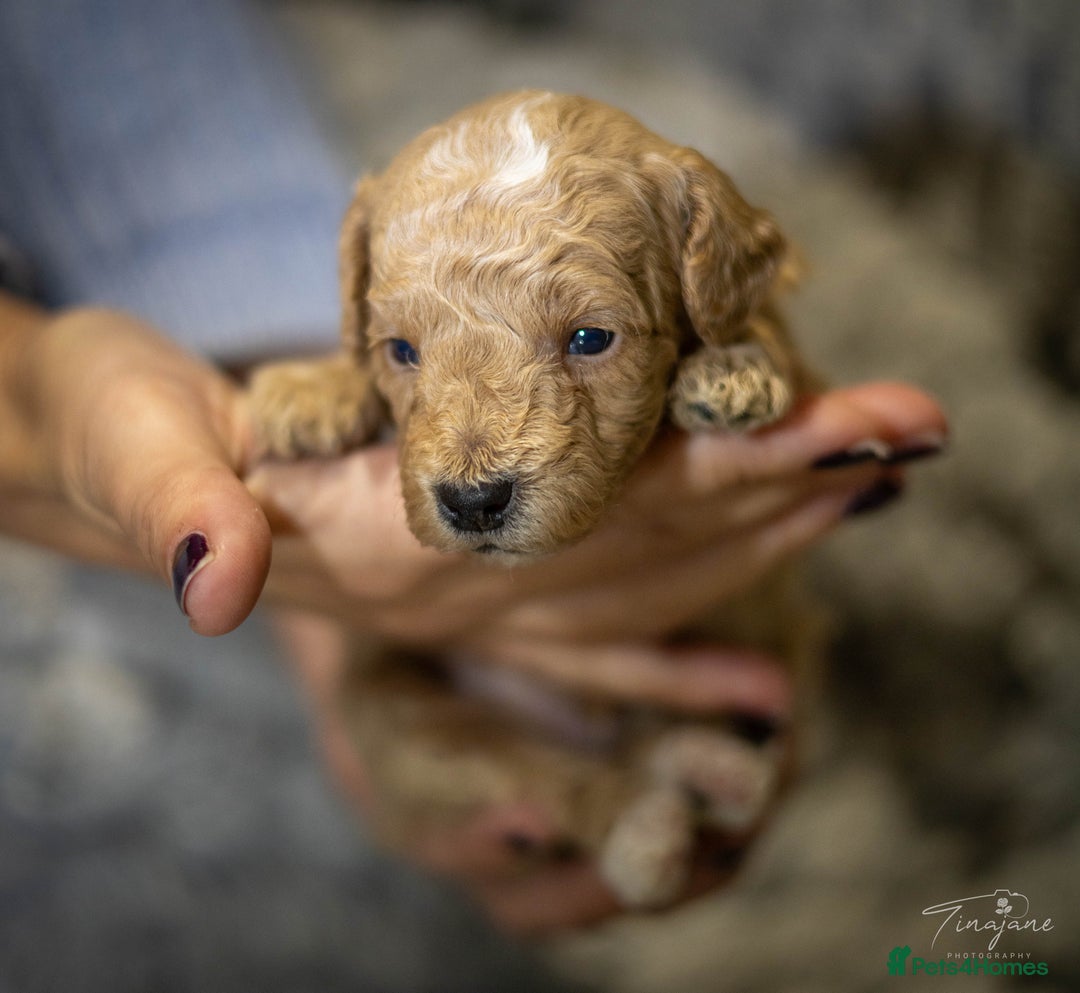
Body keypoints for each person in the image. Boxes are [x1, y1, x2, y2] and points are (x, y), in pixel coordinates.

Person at [0, 0, 946, 934]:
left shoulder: (703, 245)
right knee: (395, 723)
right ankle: (593, 799)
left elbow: (116, 76)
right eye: (404, 353)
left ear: (707, 272)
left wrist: (757, 364)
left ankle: (677, 760)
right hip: (274, 760)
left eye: (586, 335)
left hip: (702, 663)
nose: (470, 467)